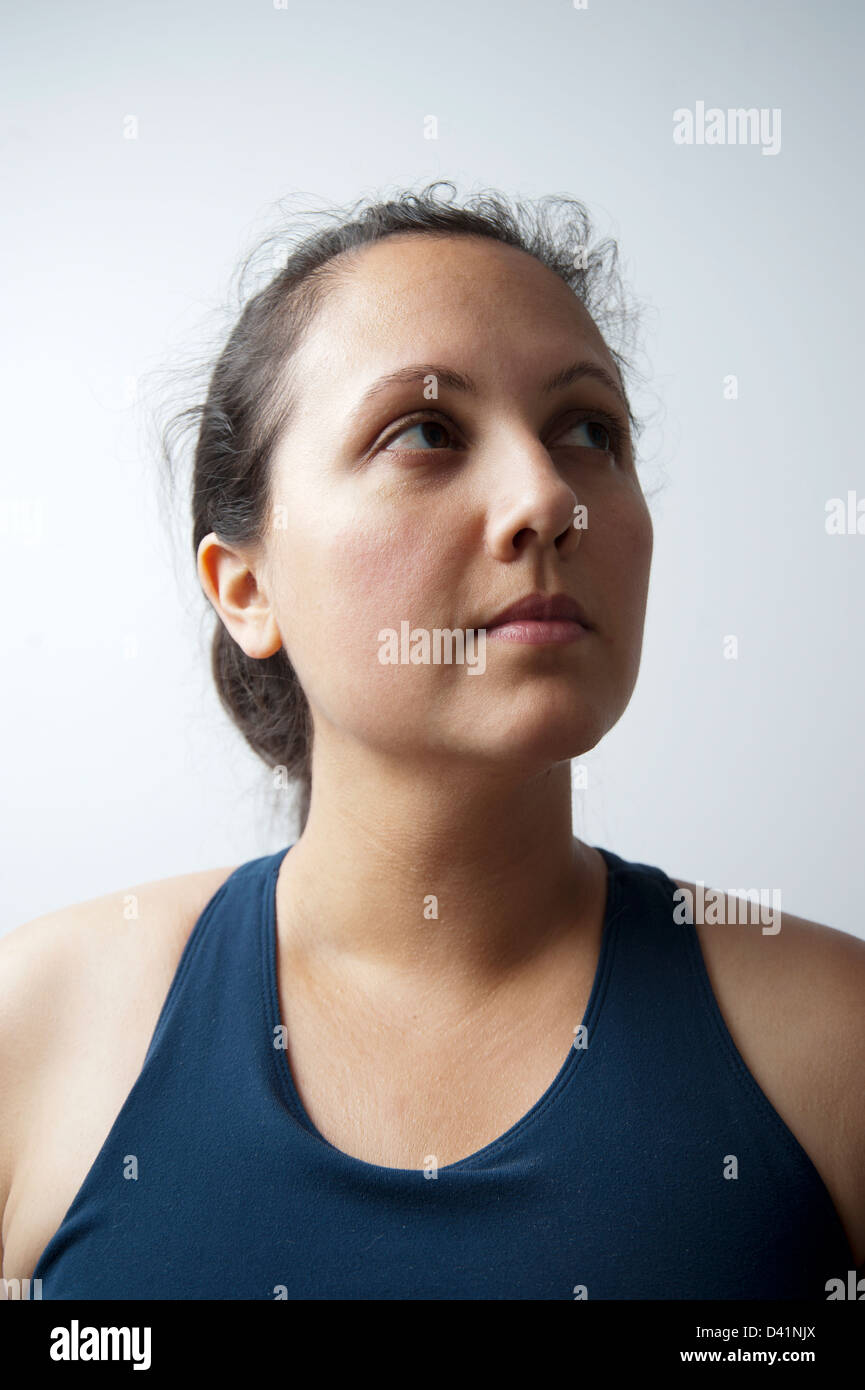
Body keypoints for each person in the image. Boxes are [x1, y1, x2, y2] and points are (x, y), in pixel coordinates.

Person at [2, 184, 863, 1300]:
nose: (549, 496)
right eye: (426, 432)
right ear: (246, 587)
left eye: (588, 430)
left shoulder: (836, 1043)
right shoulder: (38, 1029)